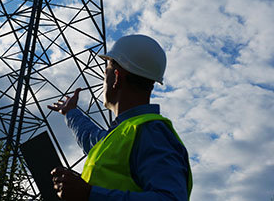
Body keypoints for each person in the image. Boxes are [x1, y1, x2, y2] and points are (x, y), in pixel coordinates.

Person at [48, 34, 192, 201]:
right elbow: (90, 138)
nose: (104, 81)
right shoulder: (122, 134)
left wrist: (89, 195)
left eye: (105, 73)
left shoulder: (150, 132)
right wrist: (70, 112)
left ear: (116, 77)